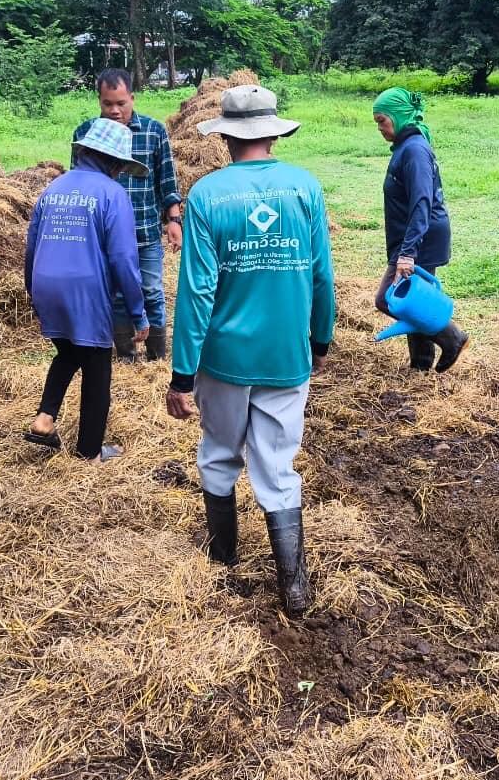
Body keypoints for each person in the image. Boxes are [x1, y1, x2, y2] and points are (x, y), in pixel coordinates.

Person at [166, 83, 336, 616]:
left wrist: (181, 373)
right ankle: (294, 586)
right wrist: (320, 336)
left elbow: (196, 290)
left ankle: (222, 560)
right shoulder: (304, 187)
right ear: (273, 131)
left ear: (226, 138)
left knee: (219, 451)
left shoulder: (208, 196)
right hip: (287, 353)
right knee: (278, 463)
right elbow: (320, 275)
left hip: (224, 357)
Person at [24, 118, 150, 461]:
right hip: (85, 290)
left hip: (45, 284)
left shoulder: (54, 188)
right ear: (113, 161)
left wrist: (31, 290)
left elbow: (32, 245)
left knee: (68, 352)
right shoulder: (112, 194)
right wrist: (138, 313)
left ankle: (45, 418)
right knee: (97, 369)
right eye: (121, 165)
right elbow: (124, 258)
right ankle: (90, 453)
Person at [74, 68, 181, 362]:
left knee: (152, 291)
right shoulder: (85, 134)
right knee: (117, 295)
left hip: (145, 229)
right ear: (99, 101)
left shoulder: (153, 131)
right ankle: (126, 355)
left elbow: (166, 179)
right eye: (108, 104)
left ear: (132, 98)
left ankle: (157, 356)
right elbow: (79, 183)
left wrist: (174, 220)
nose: (115, 111)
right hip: (104, 235)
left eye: (121, 103)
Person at [371, 87, 468, 372]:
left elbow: (422, 202)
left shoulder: (414, 149)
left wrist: (407, 253)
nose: (380, 128)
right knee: (410, 298)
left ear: (399, 116)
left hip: (421, 237)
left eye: (382, 120)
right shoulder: (407, 146)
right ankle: (421, 364)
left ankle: (451, 337)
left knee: (391, 299)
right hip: (413, 237)